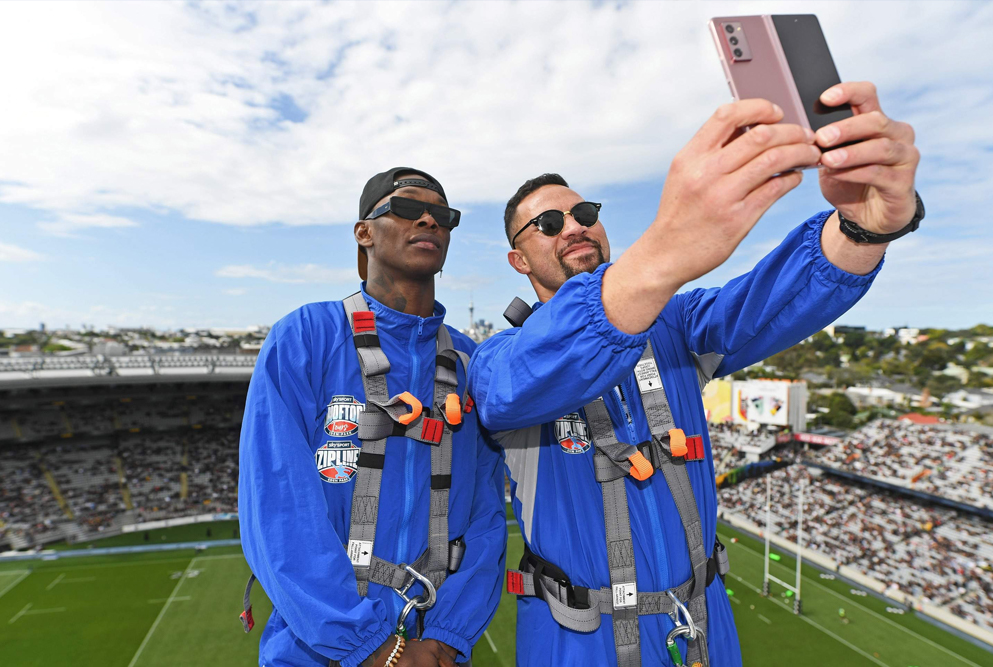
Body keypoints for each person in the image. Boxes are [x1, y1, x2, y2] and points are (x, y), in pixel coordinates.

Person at [469, 83, 920, 667]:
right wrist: (668, 249)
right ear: (518, 260)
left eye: (584, 214)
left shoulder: (675, 323)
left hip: (703, 630)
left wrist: (864, 226)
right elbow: (516, 387)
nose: (574, 227)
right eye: (549, 223)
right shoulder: (497, 358)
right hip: (577, 640)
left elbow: (771, 300)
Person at [239, 167, 507, 667]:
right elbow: (277, 505)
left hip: (435, 652)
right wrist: (370, 648)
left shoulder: (472, 362)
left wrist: (447, 637)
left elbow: (487, 516)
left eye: (443, 215)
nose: (429, 218)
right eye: (407, 208)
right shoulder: (306, 336)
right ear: (364, 231)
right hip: (318, 651)